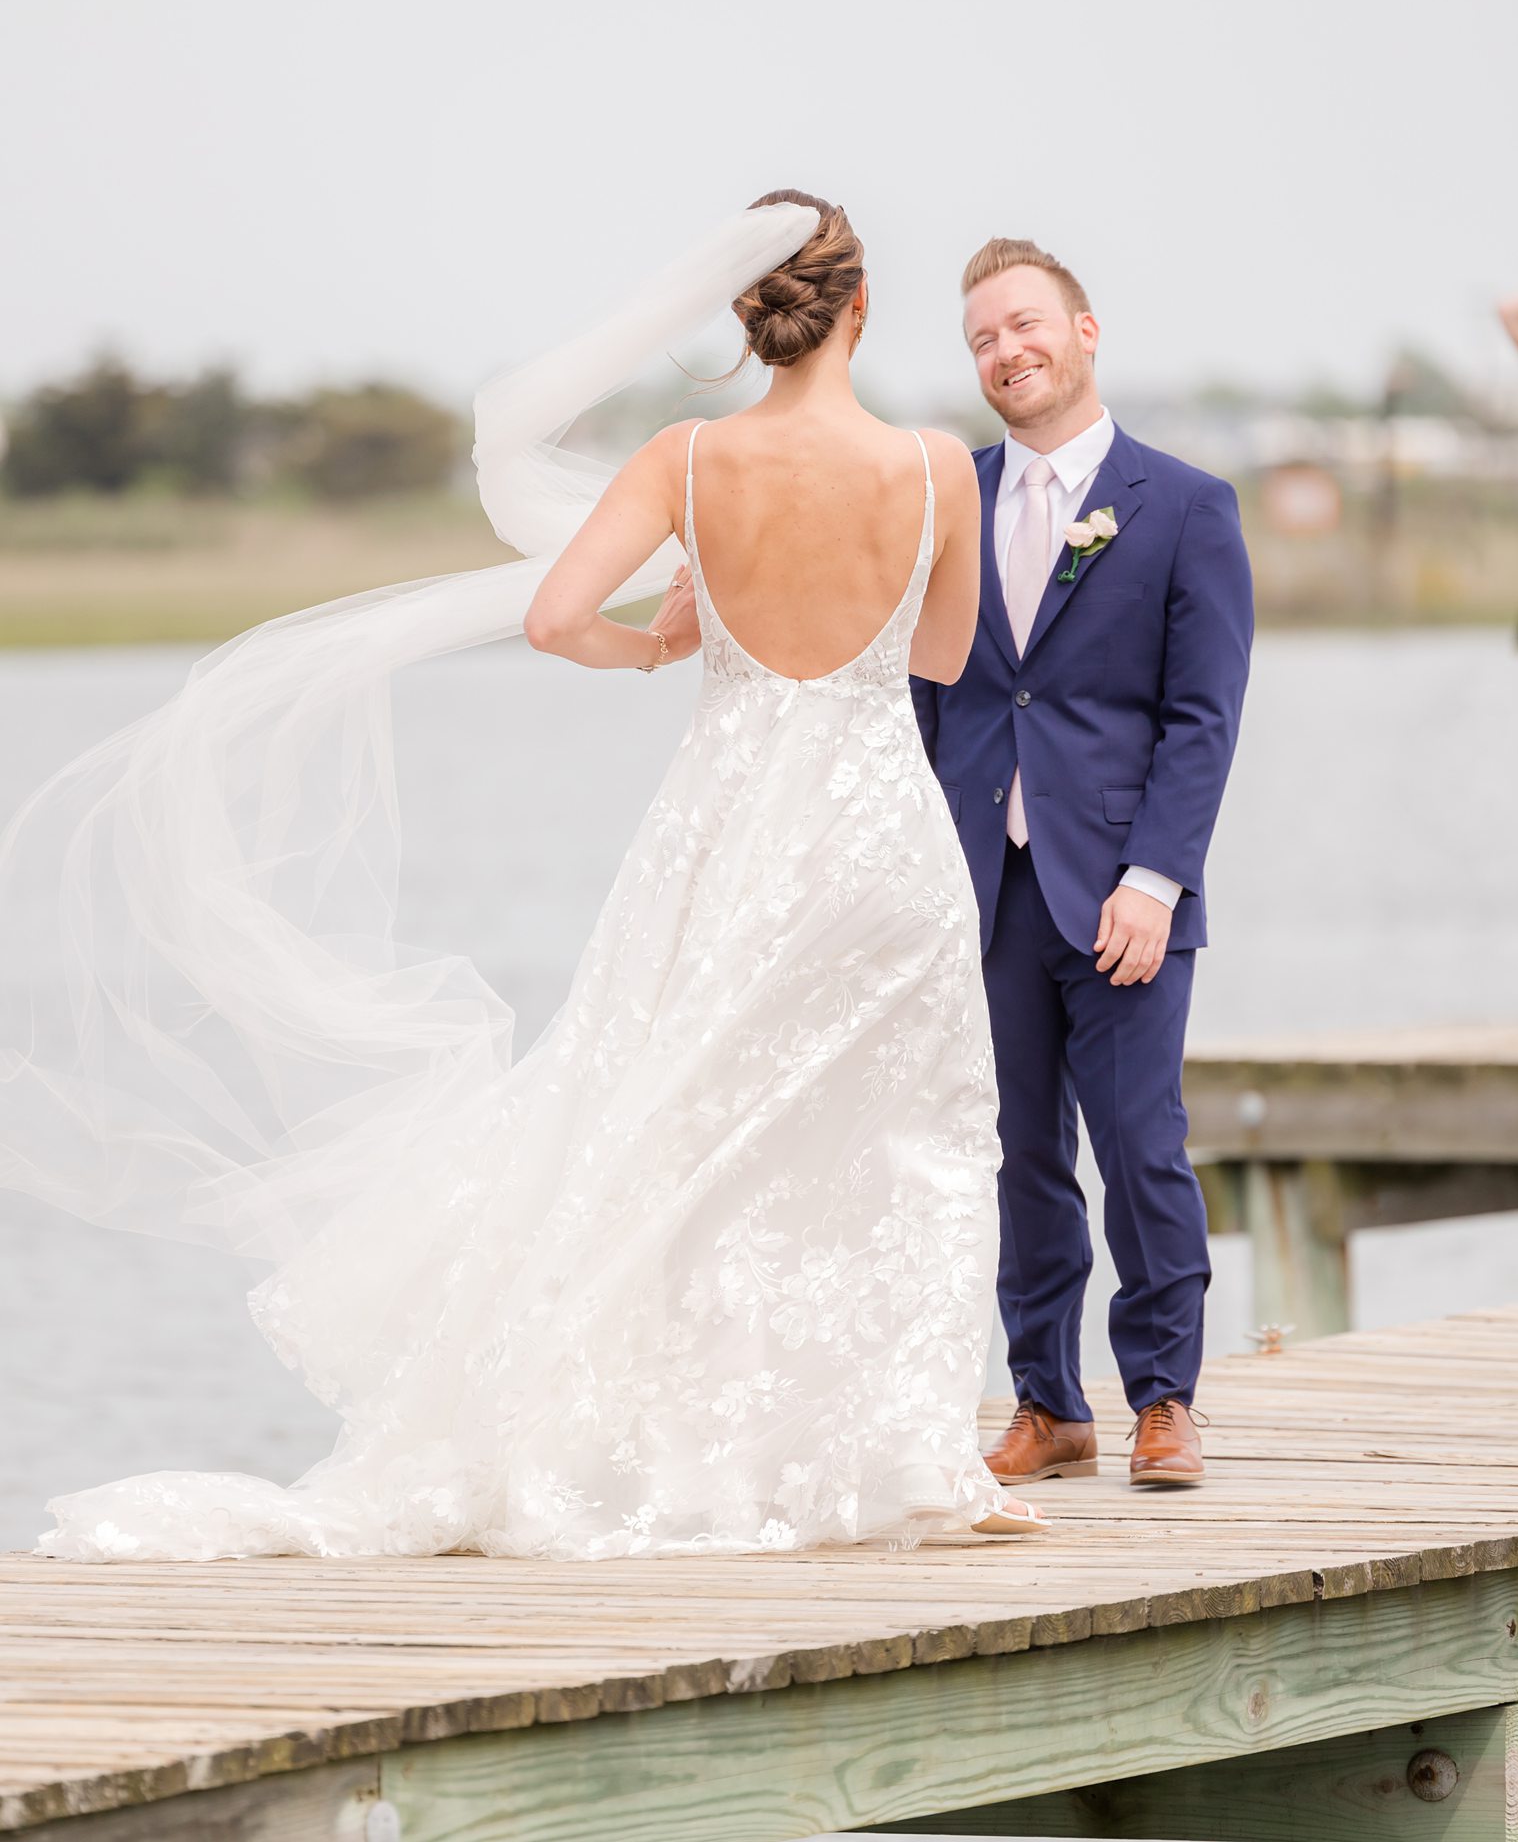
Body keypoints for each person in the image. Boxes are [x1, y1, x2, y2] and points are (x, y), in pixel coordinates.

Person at [7, 192, 1046, 1558]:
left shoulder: (685, 461)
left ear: (749, 322)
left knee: (674, 1120)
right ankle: (906, 1454)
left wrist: (674, 645)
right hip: (874, 836)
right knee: (902, 1132)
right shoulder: (930, 469)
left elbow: (558, 617)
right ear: (859, 309)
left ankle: (699, 1445)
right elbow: (941, 658)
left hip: (726, 823)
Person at [912, 238, 1253, 1490]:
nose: (1005, 353)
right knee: (1018, 1154)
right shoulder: (949, 496)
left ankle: (1163, 1399)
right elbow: (929, 693)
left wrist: (1154, 880)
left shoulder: (1184, 506)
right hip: (984, 888)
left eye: (1022, 326)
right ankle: (1046, 1404)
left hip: (1120, 892)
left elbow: (1200, 719)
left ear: (1083, 329)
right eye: (981, 341)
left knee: (1138, 1146)